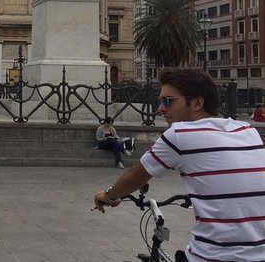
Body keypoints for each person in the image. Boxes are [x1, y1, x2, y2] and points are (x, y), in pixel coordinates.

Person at [93, 69, 265, 262]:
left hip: (212, 257)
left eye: (168, 101)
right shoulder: (247, 129)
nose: (161, 108)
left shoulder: (180, 134)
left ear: (198, 103)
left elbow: (135, 176)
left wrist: (109, 196)